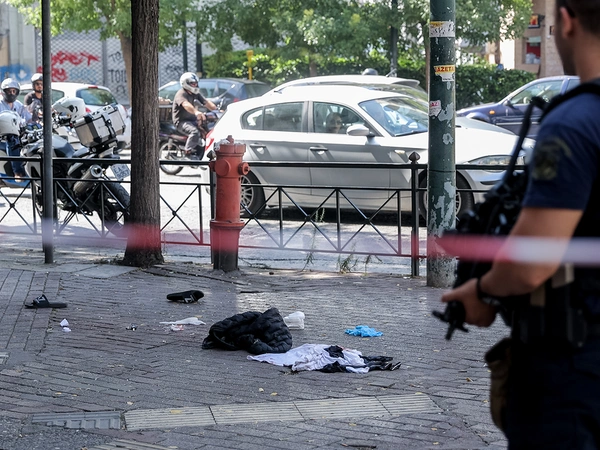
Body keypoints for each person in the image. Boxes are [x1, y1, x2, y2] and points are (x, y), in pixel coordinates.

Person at [441, 0, 600, 448]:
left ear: (565, 21)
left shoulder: (575, 122)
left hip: (574, 369)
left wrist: (483, 291)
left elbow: (532, 263)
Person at [172, 72, 217, 160]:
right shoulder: (181, 94)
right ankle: (187, 153)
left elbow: (205, 102)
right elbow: (185, 104)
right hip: (181, 122)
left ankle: (202, 152)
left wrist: (216, 110)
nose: (195, 85)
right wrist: (196, 112)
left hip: (192, 120)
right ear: (186, 83)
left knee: (207, 131)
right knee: (194, 132)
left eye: (196, 83)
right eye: (193, 83)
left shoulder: (195, 93)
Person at [0, 78, 32, 181]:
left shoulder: (18, 105)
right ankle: (18, 172)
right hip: (3, 138)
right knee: (12, 140)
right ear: (3, 92)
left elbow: (28, 119)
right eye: (9, 91)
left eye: (14, 91)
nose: (12, 93)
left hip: (19, 135)